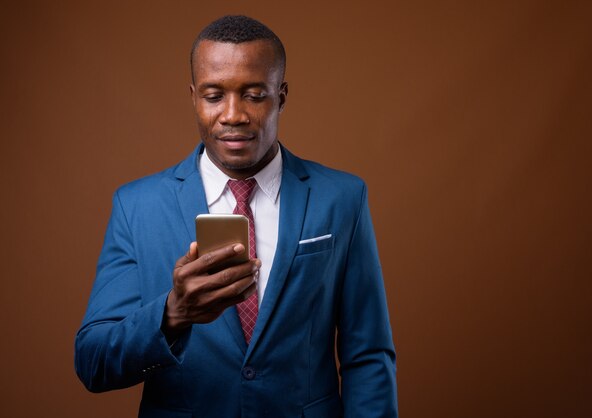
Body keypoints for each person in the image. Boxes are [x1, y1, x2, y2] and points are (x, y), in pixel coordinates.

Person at [75, 15, 397, 417]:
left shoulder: (342, 198)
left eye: (254, 95)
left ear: (281, 95)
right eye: (214, 96)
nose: (233, 115)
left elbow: (367, 355)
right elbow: (93, 362)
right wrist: (172, 314)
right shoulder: (136, 205)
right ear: (193, 96)